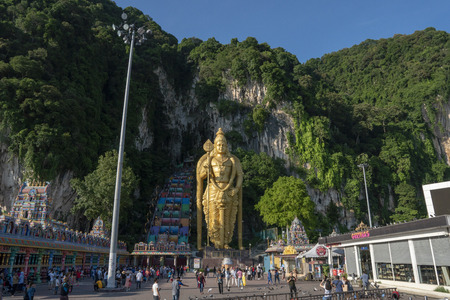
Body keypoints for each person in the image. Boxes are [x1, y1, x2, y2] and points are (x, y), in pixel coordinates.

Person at [196, 128, 244, 249]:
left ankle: (226, 241)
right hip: (213, 190)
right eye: (218, 144)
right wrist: (206, 170)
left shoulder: (232, 160)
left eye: (223, 144)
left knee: (228, 218)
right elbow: (201, 175)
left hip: (228, 190)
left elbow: (240, 175)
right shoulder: (210, 159)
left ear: (226, 146)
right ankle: (216, 241)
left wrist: (236, 189)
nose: (221, 146)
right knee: (213, 217)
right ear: (215, 146)